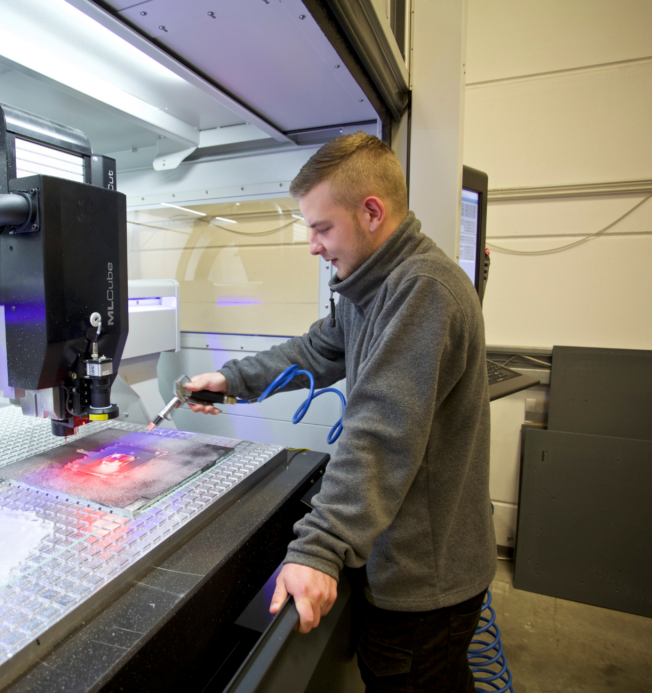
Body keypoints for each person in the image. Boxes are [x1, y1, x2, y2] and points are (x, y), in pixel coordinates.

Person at [184, 132, 496, 692]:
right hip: (406, 559)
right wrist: (229, 381)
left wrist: (318, 547)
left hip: (425, 579)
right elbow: (314, 350)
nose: (312, 245)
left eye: (322, 227)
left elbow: (381, 431)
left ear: (371, 212)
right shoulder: (368, 287)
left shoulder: (421, 290)